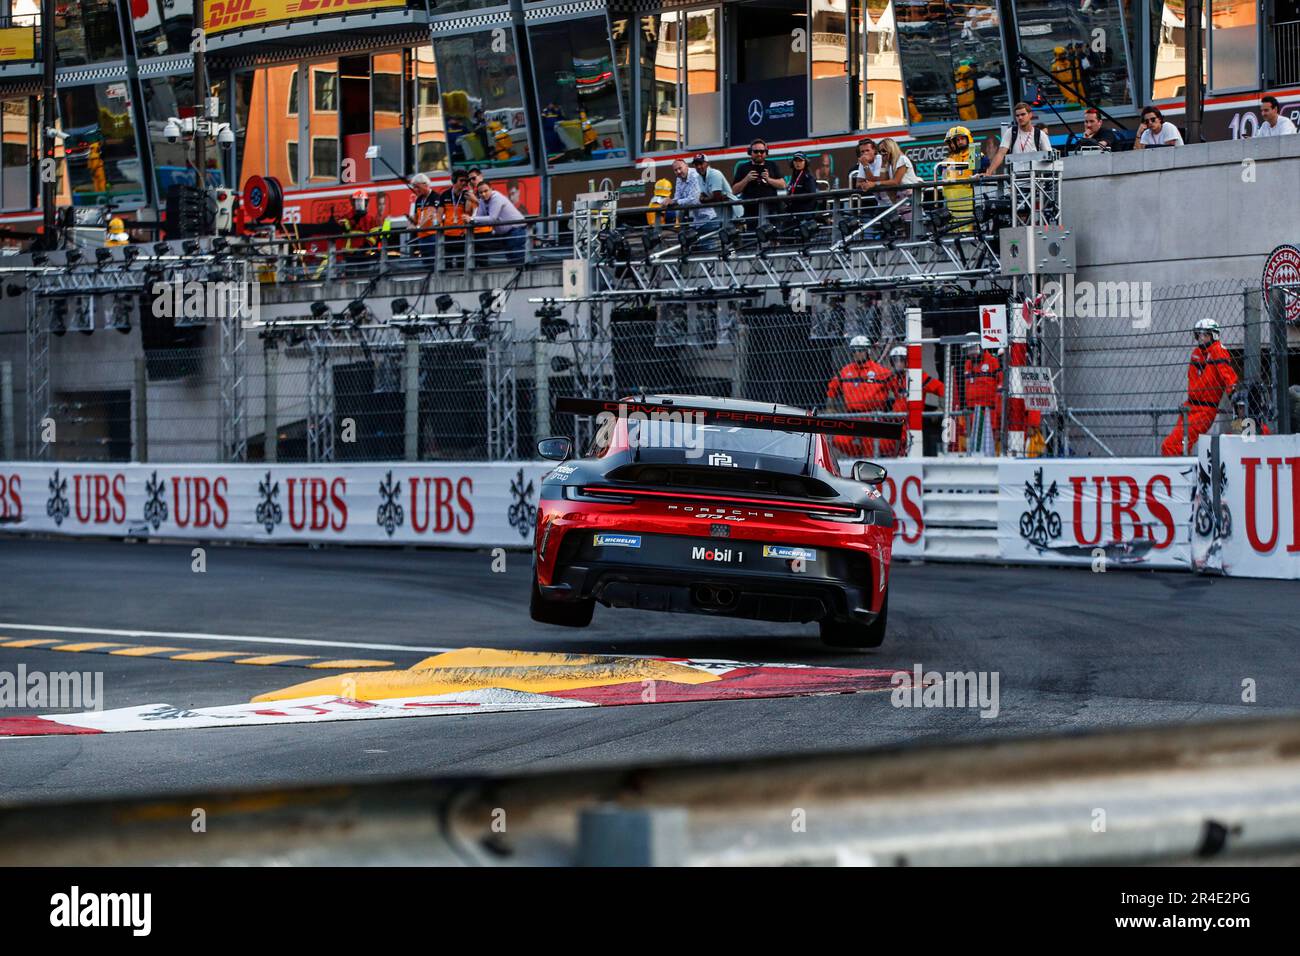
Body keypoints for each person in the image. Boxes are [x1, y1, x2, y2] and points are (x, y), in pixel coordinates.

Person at [1161, 319, 1239, 456]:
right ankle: (1185, 472)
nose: (1201, 338)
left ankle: (1180, 475)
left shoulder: (1219, 351)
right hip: (1190, 407)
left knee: (1171, 446)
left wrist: (1233, 393)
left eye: (1205, 335)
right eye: (1199, 335)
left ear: (1214, 335)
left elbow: (1227, 375)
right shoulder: (1197, 353)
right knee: (1180, 446)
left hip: (1205, 409)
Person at [826, 334, 894, 458]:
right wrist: (830, 406)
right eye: (855, 351)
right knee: (840, 441)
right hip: (852, 416)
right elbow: (832, 389)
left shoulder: (881, 371)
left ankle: (866, 464)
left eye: (861, 350)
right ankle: (858, 456)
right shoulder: (846, 371)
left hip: (873, 417)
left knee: (872, 448)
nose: (858, 353)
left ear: (867, 351)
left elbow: (896, 389)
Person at [881, 345, 944, 456]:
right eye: (896, 361)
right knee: (887, 445)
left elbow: (941, 389)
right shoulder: (893, 378)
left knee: (911, 447)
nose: (899, 364)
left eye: (902, 360)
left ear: (907, 361)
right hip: (898, 420)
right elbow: (880, 389)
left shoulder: (918, 376)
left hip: (914, 420)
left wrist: (941, 407)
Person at [981, 102, 1052, 177]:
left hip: (1036, 181)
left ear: (1030, 115)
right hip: (1016, 180)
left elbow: (1049, 157)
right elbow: (1001, 154)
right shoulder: (1011, 132)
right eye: (1017, 115)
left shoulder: (1040, 134)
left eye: (1023, 114)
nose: (1020, 118)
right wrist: (989, 172)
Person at [469, 179, 527, 262]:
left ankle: (523, 272)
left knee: (517, 260)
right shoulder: (482, 200)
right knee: (512, 260)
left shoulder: (496, 197)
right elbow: (479, 217)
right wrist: (473, 219)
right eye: (481, 192)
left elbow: (492, 218)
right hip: (507, 233)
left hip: (516, 230)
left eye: (486, 191)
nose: (483, 194)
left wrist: (472, 219)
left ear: (491, 189)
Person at [961, 340, 1002, 455]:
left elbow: (1000, 386)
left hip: (988, 412)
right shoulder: (967, 364)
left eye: (974, 349)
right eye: (969, 350)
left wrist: (997, 417)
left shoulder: (993, 362)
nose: (972, 353)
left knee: (989, 446)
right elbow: (965, 389)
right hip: (972, 412)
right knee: (972, 445)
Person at [731, 139, 786, 219]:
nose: (759, 154)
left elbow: (783, 185)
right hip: (751, 211)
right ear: (750, 152)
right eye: (756, 151)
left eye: (762, 151)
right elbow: (734, 190)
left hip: (771, 209)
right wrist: (746, 179)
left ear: (766, 153)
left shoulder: (772, 165)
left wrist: (769, 179)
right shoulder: (743, 167)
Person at [940, 125, 976, 233]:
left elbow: (979, 170)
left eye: (962, 138)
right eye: (956, 140)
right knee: (953, 231)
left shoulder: (975, 152)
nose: (959, 142)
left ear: (968, 138)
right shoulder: (950, 158)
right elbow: (945, 178)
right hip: (952, 202)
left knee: (968, 230)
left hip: (969, 200)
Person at [691, 152, 741, 222]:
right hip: (720, 212)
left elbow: (716, 197)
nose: (699, 167)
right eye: (696, 164)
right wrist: (705, 199)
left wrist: (704, 199)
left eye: (701, 163)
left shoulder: (715, 173)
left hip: (733, 211)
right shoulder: (699, 177)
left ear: (707, 164)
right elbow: (703, 197)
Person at [785, 151, 820, 218]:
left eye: (800, 161)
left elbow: (811, 196)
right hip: (793, 212)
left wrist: (794, 198)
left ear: (805, 162)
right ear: (792, 163)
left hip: (804, 214)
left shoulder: (808, 177)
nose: (798, 163)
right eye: (795, 161)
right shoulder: (794, 176)